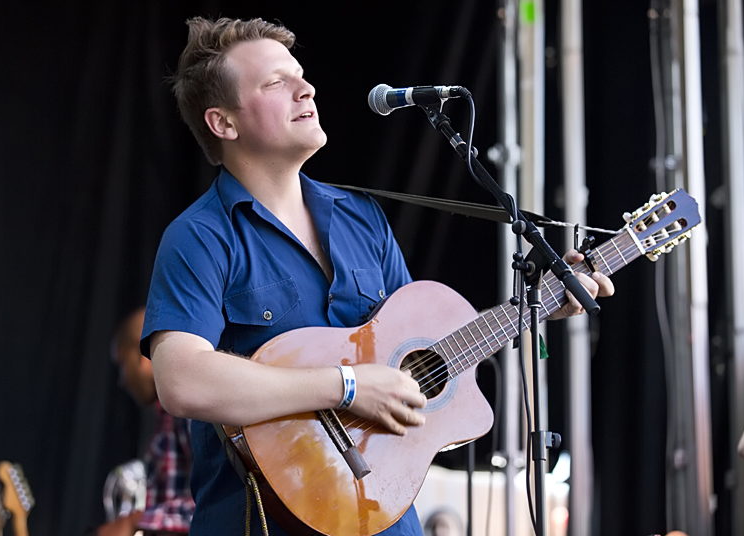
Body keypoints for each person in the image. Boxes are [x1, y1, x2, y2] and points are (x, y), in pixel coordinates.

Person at [140, 16, 614, 536]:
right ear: (223, 123)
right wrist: (345, 387)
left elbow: (420, 359)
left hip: (385, 513)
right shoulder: (200, 236)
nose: (306, 89)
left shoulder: (362, 219)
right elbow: (180, 380)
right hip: (263, 521)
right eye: (276, 82)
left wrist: (537, 302)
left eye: (301, 75)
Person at [99, 307, 195, 536]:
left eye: (122, 363)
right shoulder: (165, 413)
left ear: (142, 351)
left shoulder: (188, 400)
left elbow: (220, 499)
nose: (122, 380)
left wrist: (133, 523)